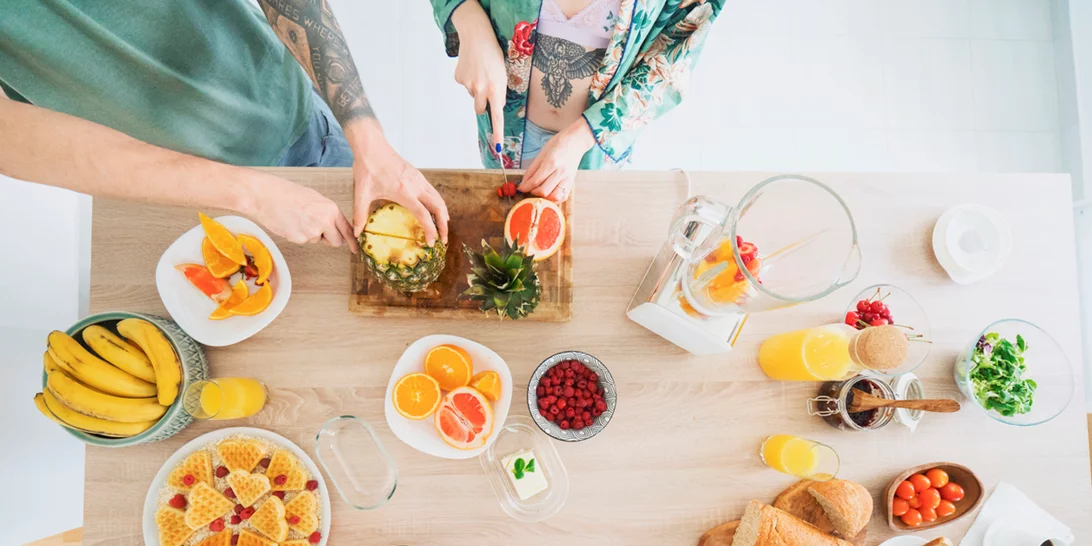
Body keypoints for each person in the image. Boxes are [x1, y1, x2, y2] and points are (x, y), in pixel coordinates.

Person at [0, 0, 448, 249]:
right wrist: (248, 193)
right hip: (156, 193)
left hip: (288, 121)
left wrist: (367, 136)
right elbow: (9, 136)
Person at [429, 0, 723, 202]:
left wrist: (583, 135)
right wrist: (469, 21)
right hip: (505, 137)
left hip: (595, 148)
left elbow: (672, 59)